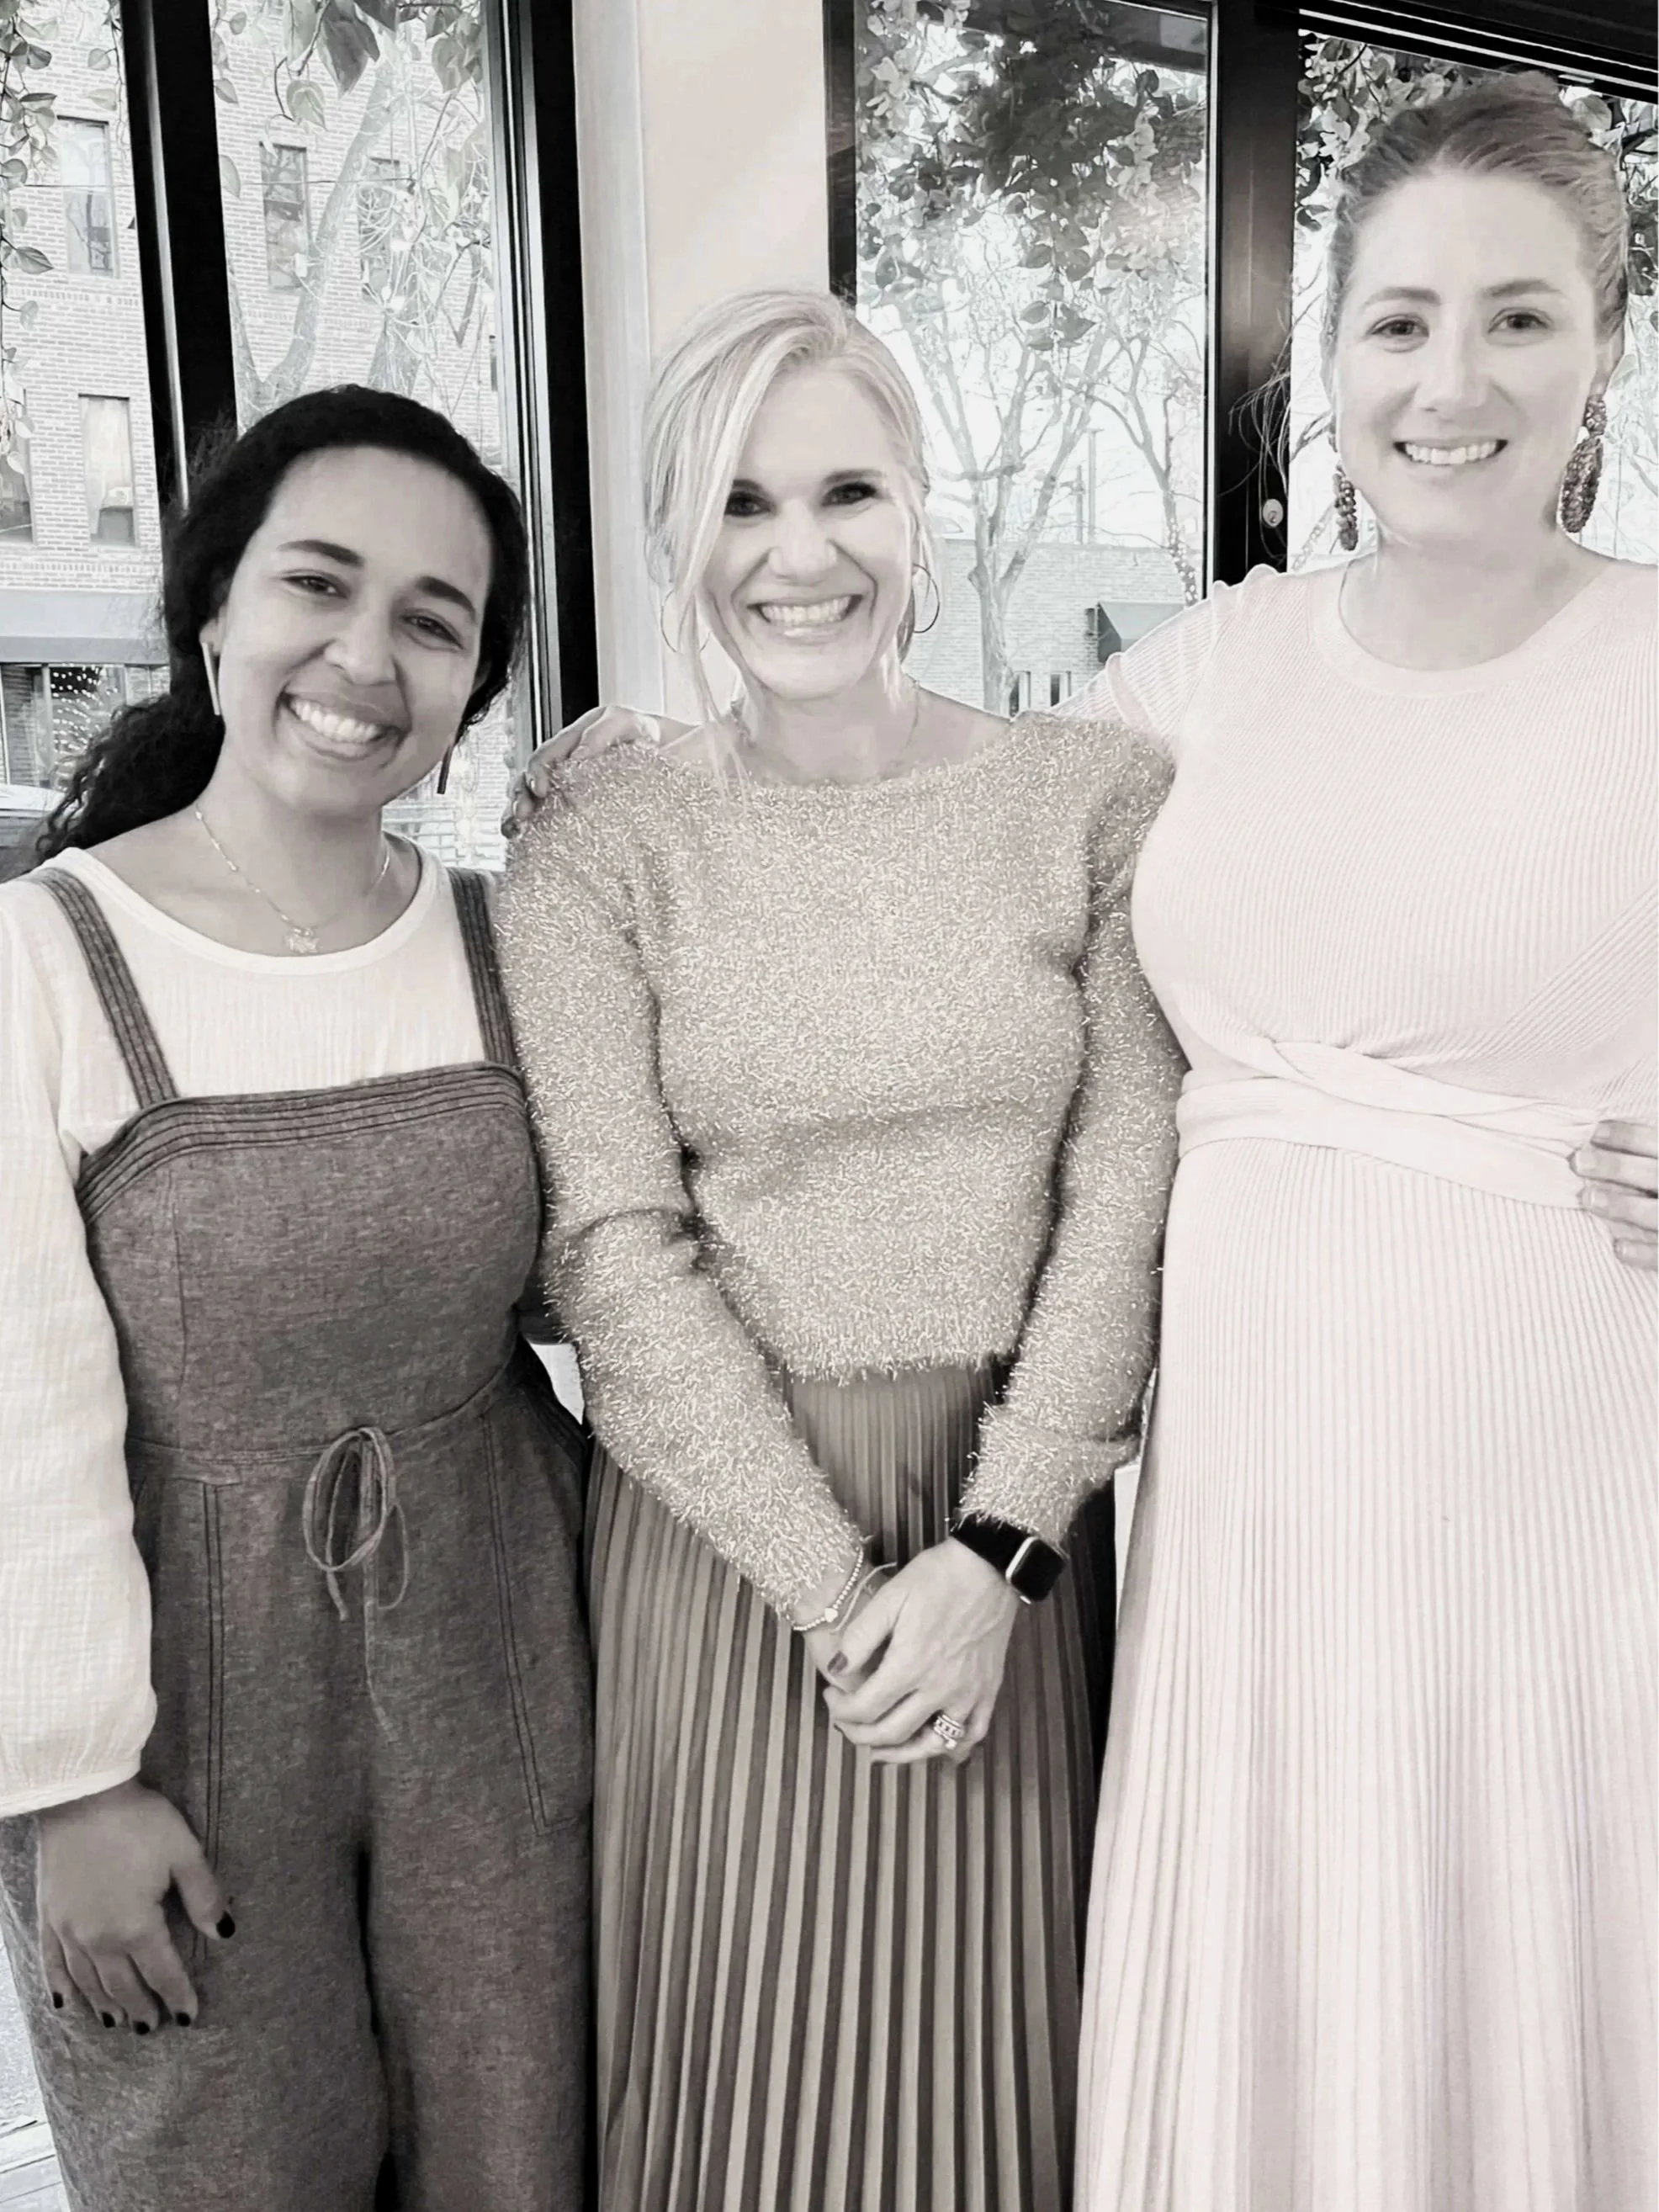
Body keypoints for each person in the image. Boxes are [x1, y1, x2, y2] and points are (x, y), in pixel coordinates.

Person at [496, 291, 1184, 2211]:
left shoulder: (1094, 801)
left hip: (1010, 1528)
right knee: (751, 2094)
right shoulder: (599, 840)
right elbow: (613, 1249)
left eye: (845, 492)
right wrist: (834, 1594)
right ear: (676, 534)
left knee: (1000, 2079)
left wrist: (999, 1551)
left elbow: (1126, 1184)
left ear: (917, 504)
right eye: (740, 503)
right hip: (726, 1548)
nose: (798, 555)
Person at [1070, 77, 1655, 2210]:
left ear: (1602, 345)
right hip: (1251, 1514)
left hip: (1563, 1492)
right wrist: (643, 775)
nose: (1448, 384)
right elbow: (919, 855)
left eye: (1516, 318)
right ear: (1323, 362)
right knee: (1282, 1977)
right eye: (1397, 323)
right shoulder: (1203, 677)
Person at [0, 387, 591, 2212]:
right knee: (220, 2158)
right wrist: (67, 1784)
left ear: (475, 686)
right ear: (211, 612)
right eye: (315, 586)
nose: (364, 658)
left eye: (432, 619)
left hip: (507, 1652)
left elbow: (617, 1276)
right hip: (180, 1694)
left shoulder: (508, 941)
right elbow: (13, 1398)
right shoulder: (46, 954)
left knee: (523, 2138)